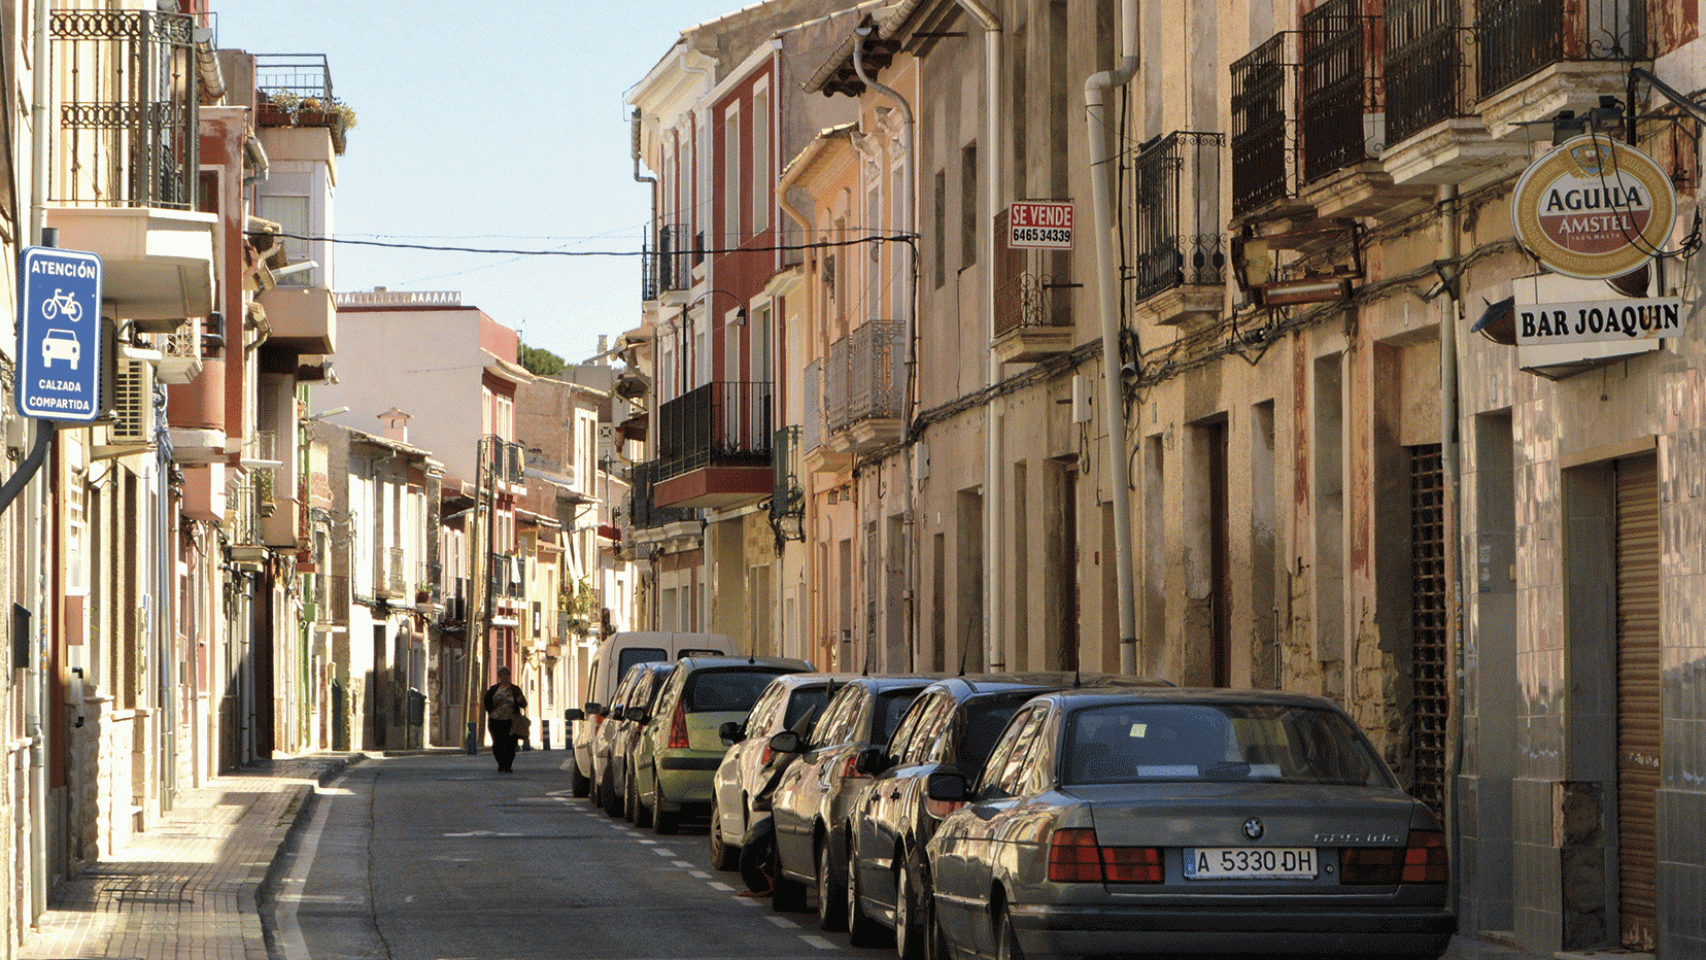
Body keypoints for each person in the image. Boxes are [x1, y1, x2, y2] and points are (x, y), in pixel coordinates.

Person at [482, 666, 527, 773]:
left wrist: (520, 700)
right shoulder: (493, 689)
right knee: (497, 744)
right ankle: (501, 764)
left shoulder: (515, 689)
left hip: (511, 721)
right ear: (499, 677)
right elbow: (486, 702)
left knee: (511, 744)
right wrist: (490, 712)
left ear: (509, 676)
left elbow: (523, 704)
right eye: (502, 675)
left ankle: (508, 765)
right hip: (495, 721)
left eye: (506, 675)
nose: (504, 677)